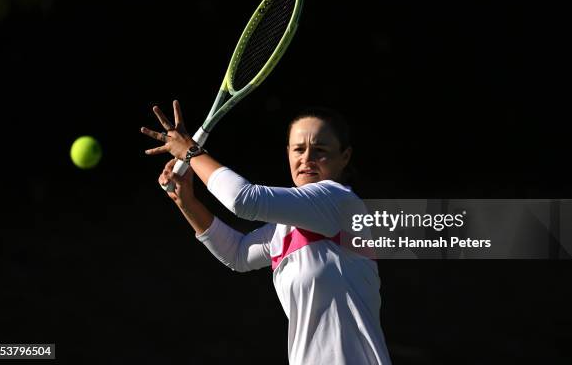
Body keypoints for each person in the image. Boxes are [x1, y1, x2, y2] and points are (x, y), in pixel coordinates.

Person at [140, 100, 391, 365]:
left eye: (320, 150)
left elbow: (244, 200)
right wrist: (187, 202)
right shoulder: (285, 228)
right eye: (299, 149)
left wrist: (191, 153)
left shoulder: (339, 201)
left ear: (345, 157)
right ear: (288, 153)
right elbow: (237, 254)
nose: (307, 158)